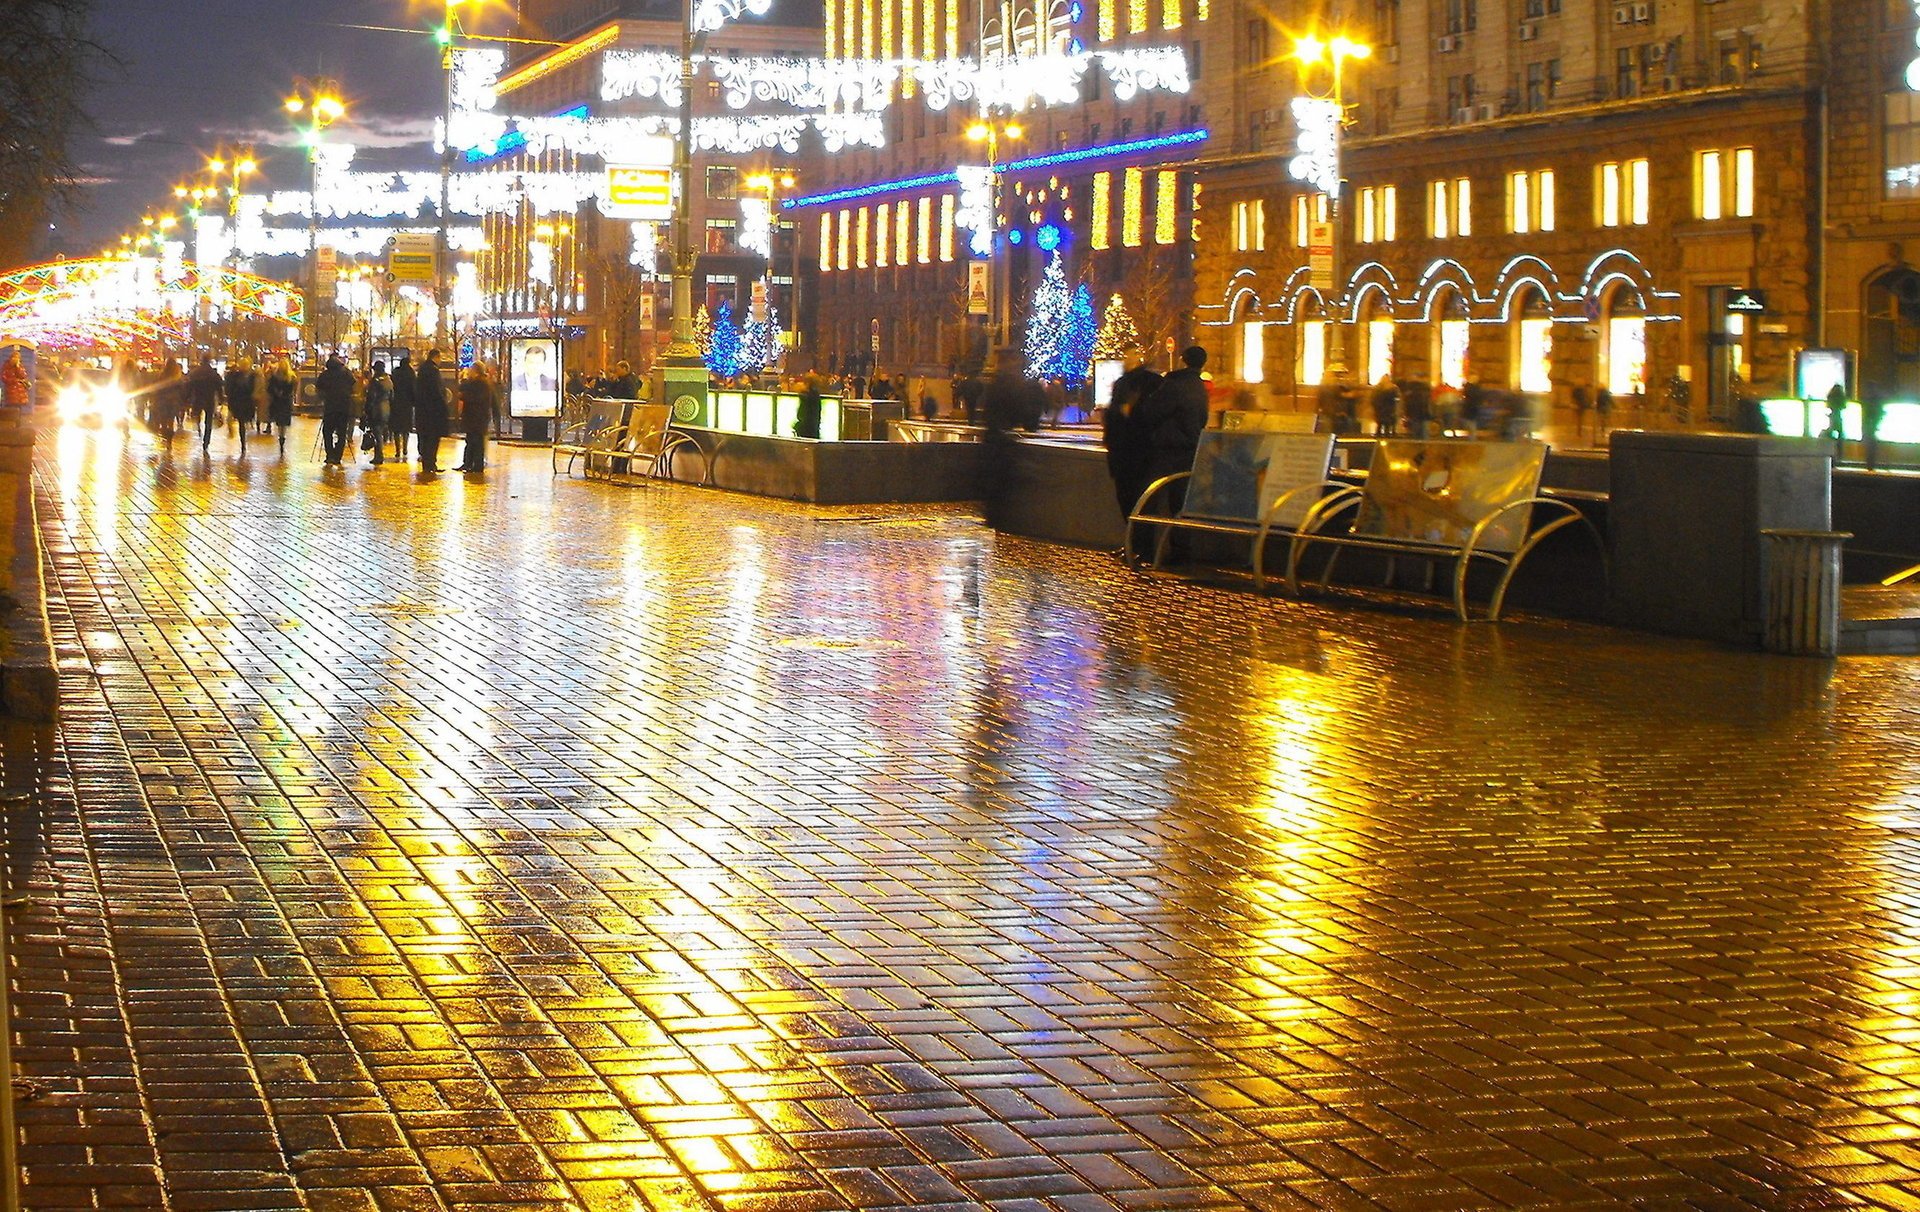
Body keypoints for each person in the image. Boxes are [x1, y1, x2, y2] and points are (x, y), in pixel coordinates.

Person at [1133, 345, 1210, 519]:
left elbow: (1152, 412)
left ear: (1182, 360)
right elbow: (1202, 418)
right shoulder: (1199, 386)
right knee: (1180, 504)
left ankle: (1143, 543)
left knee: (1149, 499)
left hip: (1167, 450)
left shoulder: (1176, 384)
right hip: (1189, 450)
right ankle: (1180, 545)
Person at [1105, 359, 1163, 525]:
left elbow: (1113, 430)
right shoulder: (1153, 390)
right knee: (1142, 505)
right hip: (1141, 457)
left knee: (1130, 503)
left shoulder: (1124, 408)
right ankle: (1137, 546)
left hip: (1126, 458)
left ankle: (1135, 545)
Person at [454, 363, 494, 473]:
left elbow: (476, 398)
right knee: (471, 441)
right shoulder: (477, 382)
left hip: (477, 418)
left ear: (476, 371)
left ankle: (476, 465)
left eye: (471, 369)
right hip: (475, 418)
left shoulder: (481, 383)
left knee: (476, 442)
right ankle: (468, 463)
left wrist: (464, 396)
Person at [316, 354, 355, 466]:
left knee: (327, 432)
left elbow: (319, 388)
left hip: (330, 407)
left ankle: (330, 455)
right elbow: (353, 384)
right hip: (344, 407)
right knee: (342, 433)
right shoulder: (347, 373)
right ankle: (338, 456)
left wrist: (323, 398)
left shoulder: (325, 375)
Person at [415, 349, 449, 473]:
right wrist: (443, 406)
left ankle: (428, 464)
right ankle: (430, 464)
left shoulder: (422, 370)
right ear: (436, 357)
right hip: (433, 412)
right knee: (432, 439)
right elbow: (437, 392)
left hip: (423, 412)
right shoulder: (433, 371)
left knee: (425, 438)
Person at [222, 355, 260, 456]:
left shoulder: (237, 376)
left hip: (239, 403)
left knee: (241, 423)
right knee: (242, 423)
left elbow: (229, 389)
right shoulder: (251, 376)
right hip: (244, 403)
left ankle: (243, 443)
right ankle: (243, 443)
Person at [185, 356, 224, 453]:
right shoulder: (213, 373)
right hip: (209, 399)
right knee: (209, 421)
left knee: (197, 414)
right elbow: (219, 386)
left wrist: (187, 398)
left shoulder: (195, 372)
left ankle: (198, 428)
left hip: (198, 398)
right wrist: (221, 398)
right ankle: (206, 441)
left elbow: (189, 385)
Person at [363, 361, 392, 467]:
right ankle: (379, 455)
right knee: (381, 431)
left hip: (376, 408)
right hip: (386, 408)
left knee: (377, 432)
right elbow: (392, 395)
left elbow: (371, 396)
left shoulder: (375, 381)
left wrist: (366, 409)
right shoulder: (388, 380)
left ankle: (379, 456)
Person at [264, 356, 297, 453]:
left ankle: (281, 439)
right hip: (286, 402)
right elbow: (292, 391)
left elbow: (269, 389)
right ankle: (282, 438)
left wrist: (276, 393)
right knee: (284, 423)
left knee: (279, 423)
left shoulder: (274, 377)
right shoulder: (291, 377)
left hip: (277, 402)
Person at [389, 353, 416, 463]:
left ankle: (397, 450)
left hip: (396, 403)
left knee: (396, 429)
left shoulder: (395, 373)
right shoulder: (411, 374)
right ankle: (405, 448)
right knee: (405, 429)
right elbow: (414, 389)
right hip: (407, 404)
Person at [795, 373, 823, 439]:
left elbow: (801, 414)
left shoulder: (805, 396)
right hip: (813, 428)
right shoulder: (816, 395)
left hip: (805, 429)